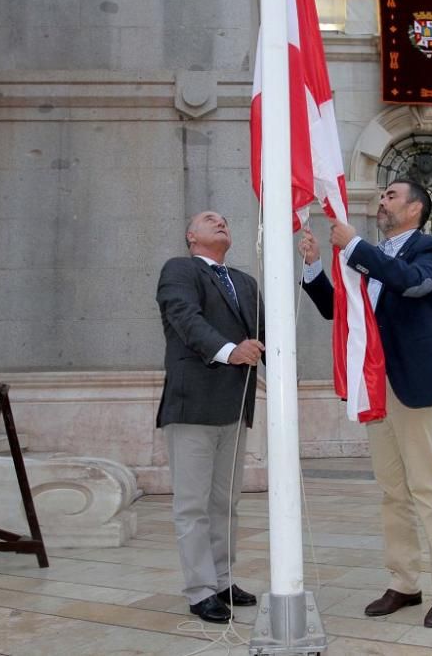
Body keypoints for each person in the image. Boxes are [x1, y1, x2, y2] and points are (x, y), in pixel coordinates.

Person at [298, 179, 432, 628]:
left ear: (415, 208)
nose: (382, 202)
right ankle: (405, 582)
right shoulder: (368, 256)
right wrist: (315, 269)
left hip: (416, 383)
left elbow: (412, 286)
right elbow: (342, 311)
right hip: (375, 383)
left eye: (391, 195)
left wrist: (354, 246)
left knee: (427, 488)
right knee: (393, 491)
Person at [156, 211, 265, 624]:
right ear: (190, 235)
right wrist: (229, 350)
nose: (221, 221)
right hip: (193, 405)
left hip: (235, 407)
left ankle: (222, 580)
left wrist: (309, 270)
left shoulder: (245, 282)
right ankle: (200, 590)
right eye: (209, 219)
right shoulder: (179, 270)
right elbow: (186, 319)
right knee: (192, 505)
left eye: (225, 219)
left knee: (225, 503)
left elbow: (267, 333)